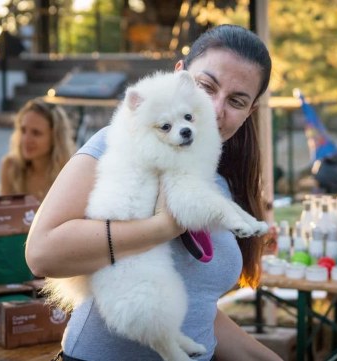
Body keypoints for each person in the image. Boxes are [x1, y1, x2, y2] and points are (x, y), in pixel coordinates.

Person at [25, 24, 283, 361]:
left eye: (236, 101)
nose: (216, 109)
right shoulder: (118, 143)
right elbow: (42, 253)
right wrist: (161, 228)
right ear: (179, 76)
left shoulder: (222, 178)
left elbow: (199, 309)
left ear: (250, 111)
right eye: (206, 86)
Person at [0, 98, 76, 202]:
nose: (26, 139)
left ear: (55, 138)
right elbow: (2, 214)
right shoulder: (11, 166)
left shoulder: (70, 172)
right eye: (23, 130)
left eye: (36, 133)